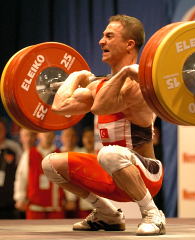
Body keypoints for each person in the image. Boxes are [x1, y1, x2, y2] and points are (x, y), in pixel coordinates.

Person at [42, 15, 165, 235]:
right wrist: (76, 75)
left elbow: (100, 107)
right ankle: (107, 214)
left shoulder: (138, 85)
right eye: (102, 36)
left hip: (146, 175)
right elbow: (59, 106)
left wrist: (127, 71)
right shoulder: (100, 84)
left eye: (109, 36)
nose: (101, 41)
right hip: (110, 173)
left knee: (109, 153)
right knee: (51, 163)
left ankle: (153, 214)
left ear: (129, 44)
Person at [14, 131, 74, 219]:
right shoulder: (28, 154)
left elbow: (68, 179)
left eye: (50, 132)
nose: (47, 134)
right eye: (44, 132)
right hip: (34, 207)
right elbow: (21, 177)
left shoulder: (61, 155)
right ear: (38, 135)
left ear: (54, 136)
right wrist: (20, 198)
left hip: (55, 207)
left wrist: (71, 199)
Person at [0, 118, 22, 219]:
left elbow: (20, 169)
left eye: (1, 129)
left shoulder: (14, 147)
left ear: (5, 130)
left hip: (8, 196)